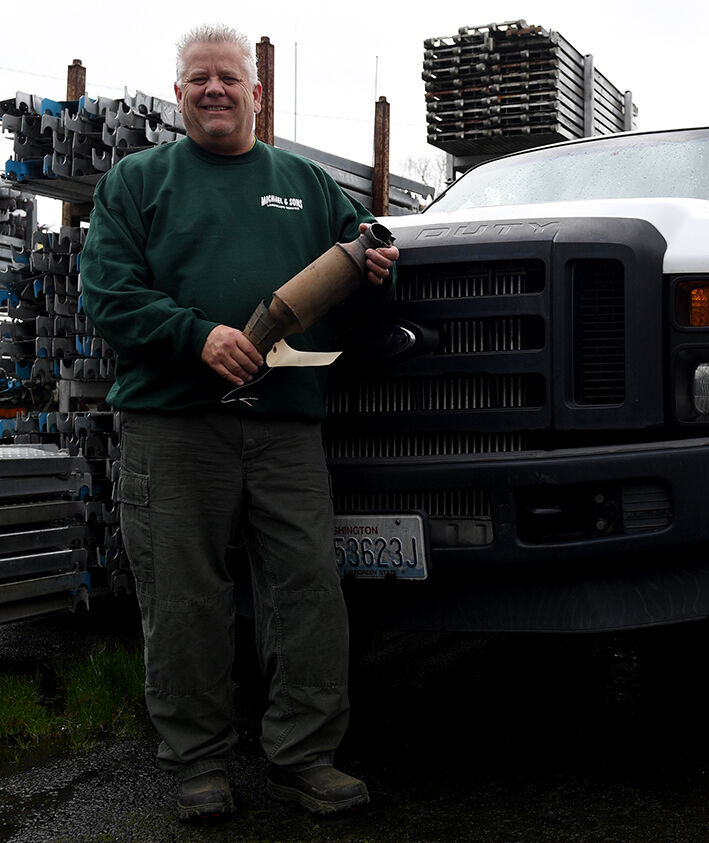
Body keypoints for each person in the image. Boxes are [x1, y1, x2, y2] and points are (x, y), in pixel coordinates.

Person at [80, 24, 398, 821]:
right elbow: (108, 295)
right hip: (174, 426)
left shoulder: (307, 184)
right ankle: (198, 762)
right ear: (178, 93)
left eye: (229, 77)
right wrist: (196, 336)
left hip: (285, 427)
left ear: (257, 93)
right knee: (183, 597)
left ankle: (304, 755)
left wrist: (379, 268)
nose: (214, 89)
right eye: (200, 79)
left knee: (306, 590)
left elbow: (362, 271)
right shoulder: (137, 181)